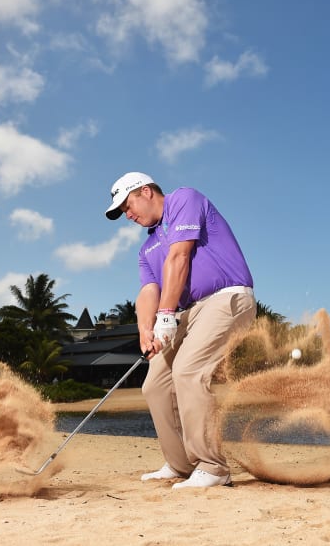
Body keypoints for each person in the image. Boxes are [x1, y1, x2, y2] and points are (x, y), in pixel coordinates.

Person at [105, 171, 256, 489]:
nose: (127, 215)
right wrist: (146, 330)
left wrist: (165, 315)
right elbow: (148, 290)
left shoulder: (183, 199)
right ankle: (181, 464)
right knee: (155, 384)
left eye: (128, 206)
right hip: (186, 312)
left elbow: (180, 256)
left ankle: (213, 468)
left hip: (226, 298)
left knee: (187, 371)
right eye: (122, 213)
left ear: (146, 191)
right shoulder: (146, 249)